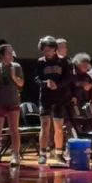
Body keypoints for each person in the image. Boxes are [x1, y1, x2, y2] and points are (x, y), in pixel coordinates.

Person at [34, 36, 72, 166]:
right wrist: (45, 83)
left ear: (55, 49)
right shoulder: (40, 62)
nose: (47, 53)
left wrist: (58, 85)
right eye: (44, 50)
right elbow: (36, 79)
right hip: (45, 98)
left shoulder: (64, 62)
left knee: (59, 128)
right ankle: (43, 153)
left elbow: (68, 79)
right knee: (44, 125)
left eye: (49, 50)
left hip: (59, 98)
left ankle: (59, 153)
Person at [0, 44, 24, 167]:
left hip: (13, 101)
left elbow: (21, 84)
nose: (11, 54)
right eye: (9, 52)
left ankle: (15, 155)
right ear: (2, 55)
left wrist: (14, 76)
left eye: (11, 52)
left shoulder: (16, 67)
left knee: (14, 130)